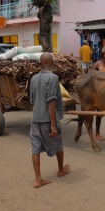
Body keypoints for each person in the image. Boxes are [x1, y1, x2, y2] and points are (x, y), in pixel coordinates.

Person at [30, 52, 70, 188]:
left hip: (35, 121)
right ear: (52, 63)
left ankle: (38, 179)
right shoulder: (53, 78)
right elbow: (51, 101)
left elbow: (32, 100)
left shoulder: (33, 78)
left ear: (41, 63)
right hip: (48, 120)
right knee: (58, 144)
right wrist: (53, 124)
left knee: (35, 149)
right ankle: (60, 169)